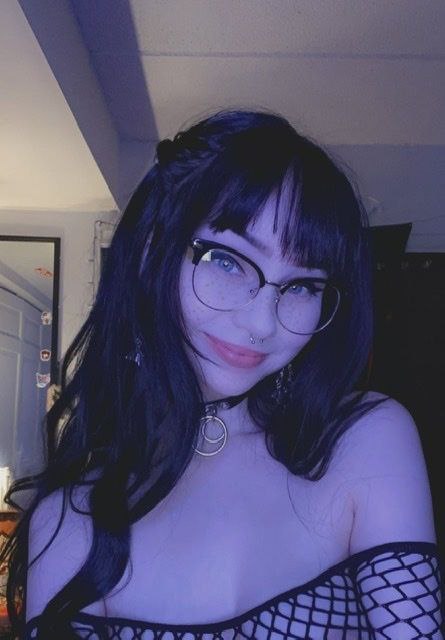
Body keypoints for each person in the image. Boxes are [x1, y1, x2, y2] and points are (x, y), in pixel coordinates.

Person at [2, 109, 443, 639]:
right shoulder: (70, 520)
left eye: (303, 285)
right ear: (151, 252)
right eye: (227, 260)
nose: (262, 323)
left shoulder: (362, 439)